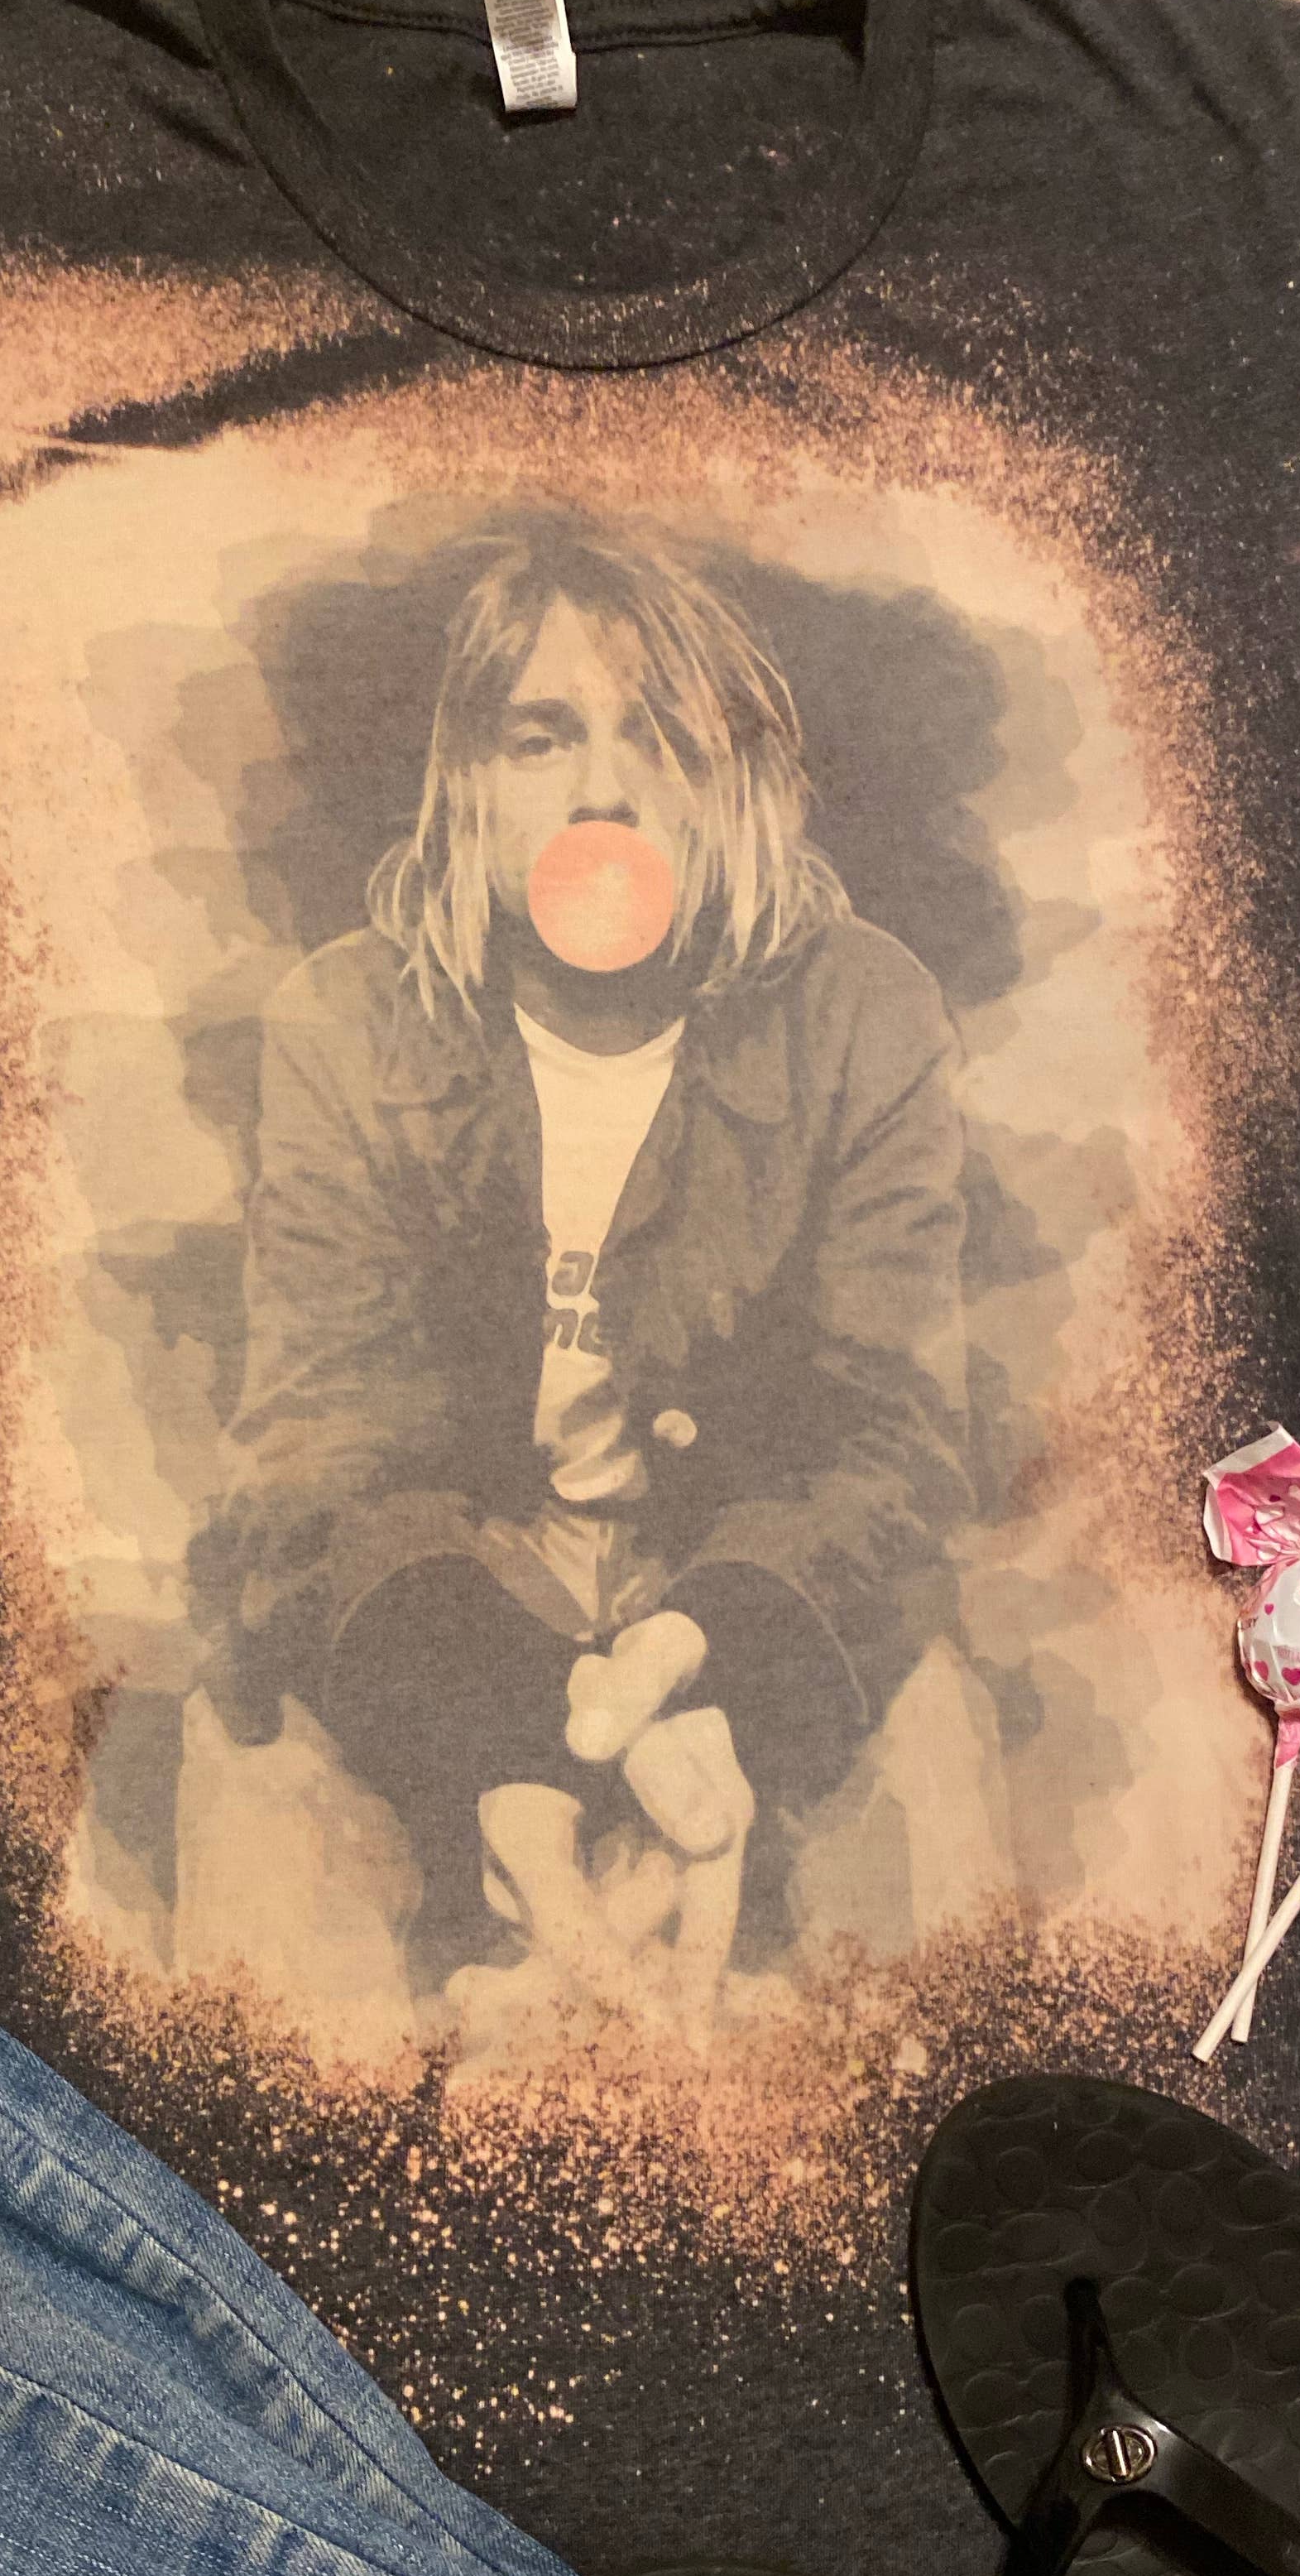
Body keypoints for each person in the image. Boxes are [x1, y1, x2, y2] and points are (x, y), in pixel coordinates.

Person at [194, 512, 970, 2040]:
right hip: (453, 1560)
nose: (603, 790)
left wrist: (703, 1666)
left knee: (927, 1828)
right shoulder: (342, 1021)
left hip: (747, 1556)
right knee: (263, 1839)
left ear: (733, 779)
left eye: (657, 735)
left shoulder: (866, 1012)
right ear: (468, 787)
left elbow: (891, 1443)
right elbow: (323, 1453)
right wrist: (509, 1746)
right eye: (541, 737)